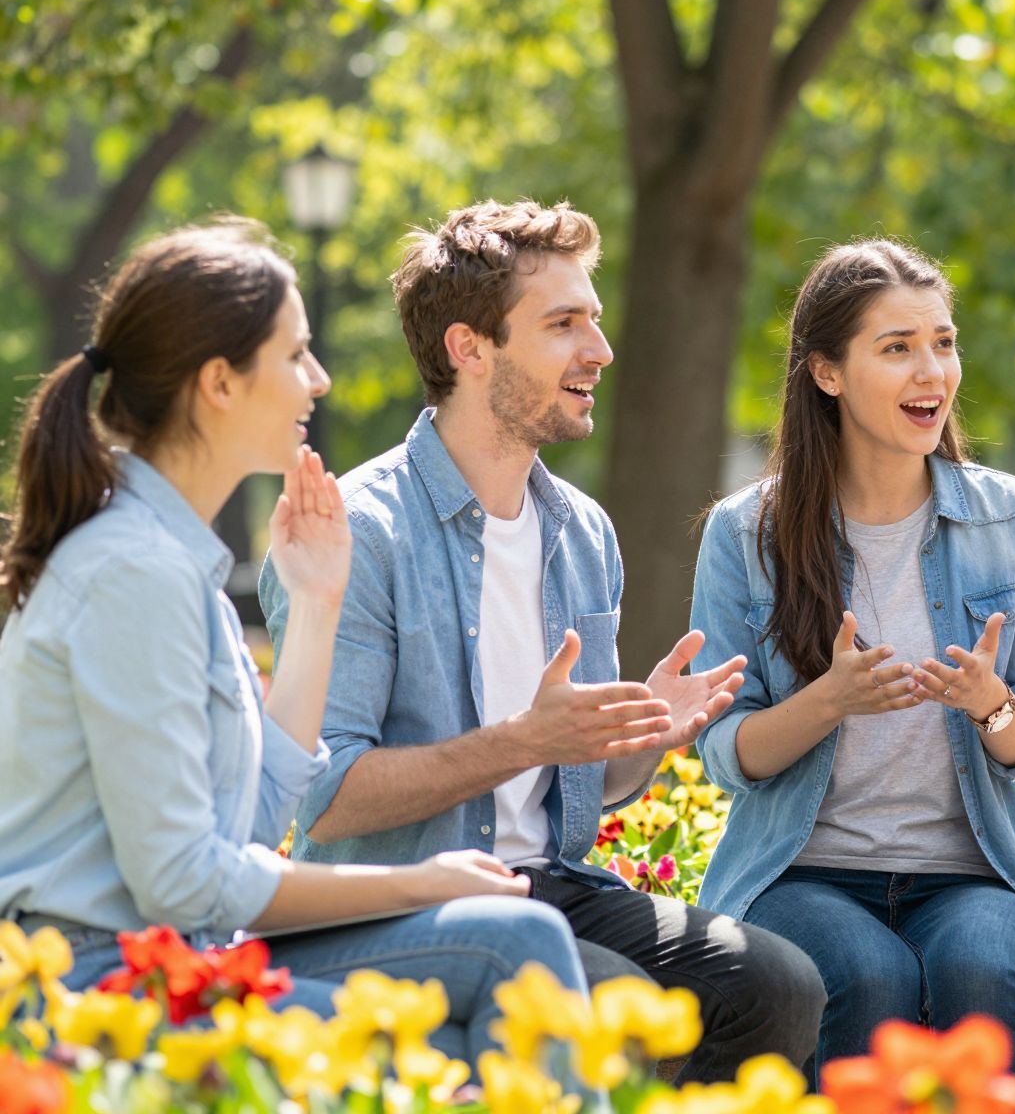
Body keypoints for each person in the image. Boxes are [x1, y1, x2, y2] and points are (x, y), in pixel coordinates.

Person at [259, 200, 824, 1083]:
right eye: (564, 325)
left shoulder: (583, 531)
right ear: (468, 348)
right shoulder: (363, 534)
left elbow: (577, 791)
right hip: (402, 903)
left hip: (550, 889)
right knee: (602, 996)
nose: (598, 351)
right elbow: (323, 800)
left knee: (778, 984)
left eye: (593, 322)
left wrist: (641, 740)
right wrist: (524, 740)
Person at [0, 220, 589, 1067]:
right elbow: (184, 883)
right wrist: (421, 882)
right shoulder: (132, 573)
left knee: (514, 941)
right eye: (295, 354)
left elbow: (255, 819)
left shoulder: (167, 561)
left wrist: (317, 605)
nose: (318, 379)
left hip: (177, 957)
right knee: (462, 1004)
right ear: (220, 384)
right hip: (97, 992)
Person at [689, 239, 1015, 1076]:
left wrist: (990, 704)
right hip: (800, 872)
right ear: (827, 372)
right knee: (868, 975)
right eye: (896, 349)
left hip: (973, 874)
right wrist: (826, 700)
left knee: (977, 967)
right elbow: (724, 753)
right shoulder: (744, 534)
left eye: (942, 342)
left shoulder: (1013, 520)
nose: (930, 371)